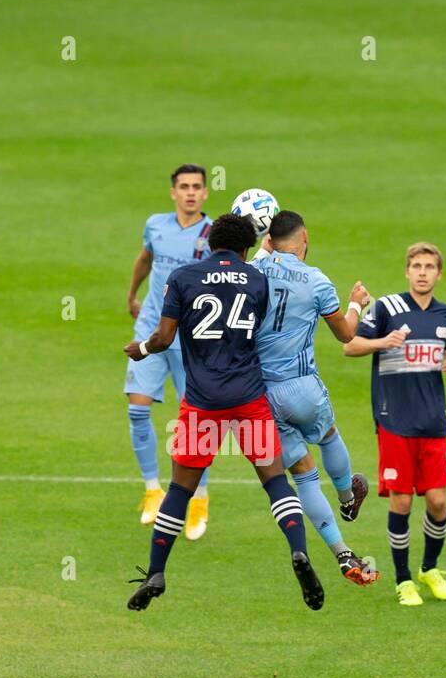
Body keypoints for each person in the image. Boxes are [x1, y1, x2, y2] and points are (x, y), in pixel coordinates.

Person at [123, 214, 324, 611]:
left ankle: (157, 570)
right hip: (248, 399)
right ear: (246, 248)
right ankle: (299, 551)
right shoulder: (257, 280)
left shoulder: (183, 278)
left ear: (211, 243)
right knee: (274, 482)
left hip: (202, 403)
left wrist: (141, 349)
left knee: (180, 489)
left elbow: (164, 338)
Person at [252, 210, 376, 586]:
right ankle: (347, 498)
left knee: (303, 474)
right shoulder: (317, 281)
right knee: (328, 435)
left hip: (260, 393)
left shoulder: (254, 274)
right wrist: (357, 303)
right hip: (302, 386)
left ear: (270, 239)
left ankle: (342, 553)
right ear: (304, 236)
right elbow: (346, 335)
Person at [344, 242, 446, 606]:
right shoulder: (387, 309)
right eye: (416, 266)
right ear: (407, 272)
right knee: (401, 501)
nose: (423, 272)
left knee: (438, 501)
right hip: (394, 419)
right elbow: (350, 346)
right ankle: (403, 580)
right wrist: (384, 341)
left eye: (429, 266)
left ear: (439, 274)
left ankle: (429, 568)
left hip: (433, 421)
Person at [125, 164, 214, 539]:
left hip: (190, 336)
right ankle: (152, 490)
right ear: (173, 192)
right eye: (184, 187)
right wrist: (133, 293)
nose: (191, 193)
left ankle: (199, 499)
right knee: (136, 407)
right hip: (151, 329)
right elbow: (145, 258)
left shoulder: (211, 235)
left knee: (194, 419)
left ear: (206, 193)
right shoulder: (156, 225)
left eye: (197, 187)